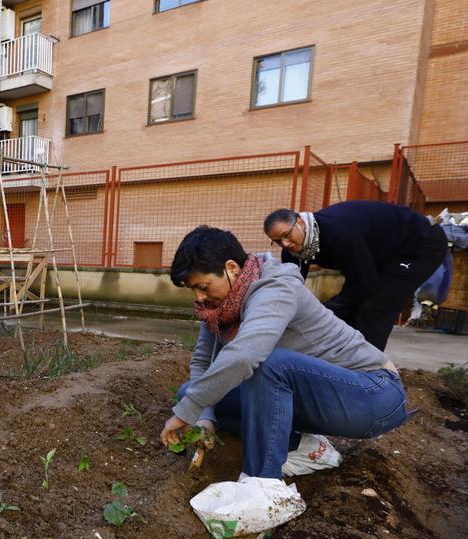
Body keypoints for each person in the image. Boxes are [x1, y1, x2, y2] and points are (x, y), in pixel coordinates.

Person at [159, 226, 411, 479]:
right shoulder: (220, 309)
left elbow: (245, 355)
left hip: (373, 393)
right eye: (193, 290)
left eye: (203, 286)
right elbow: (203, 361)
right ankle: (306, 449)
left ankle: (261, 485)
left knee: (268, 364)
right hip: (323, 396)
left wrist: (183, 414)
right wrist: (203, 417)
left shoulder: (276, 288)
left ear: (232, 268)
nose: (199, 298)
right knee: (190, 394)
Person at [263, 201, 448, 350]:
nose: (285, 244)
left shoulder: (339, 233)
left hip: (419, 244)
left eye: (286, 235)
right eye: (277, 241)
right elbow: (289, 288)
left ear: (300, 223)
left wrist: (327, 311)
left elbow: (364, 283)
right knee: (345, 308)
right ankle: (343, 358)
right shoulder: (293, 251)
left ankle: (369, 374)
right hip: (384, 252)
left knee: (375, 307)